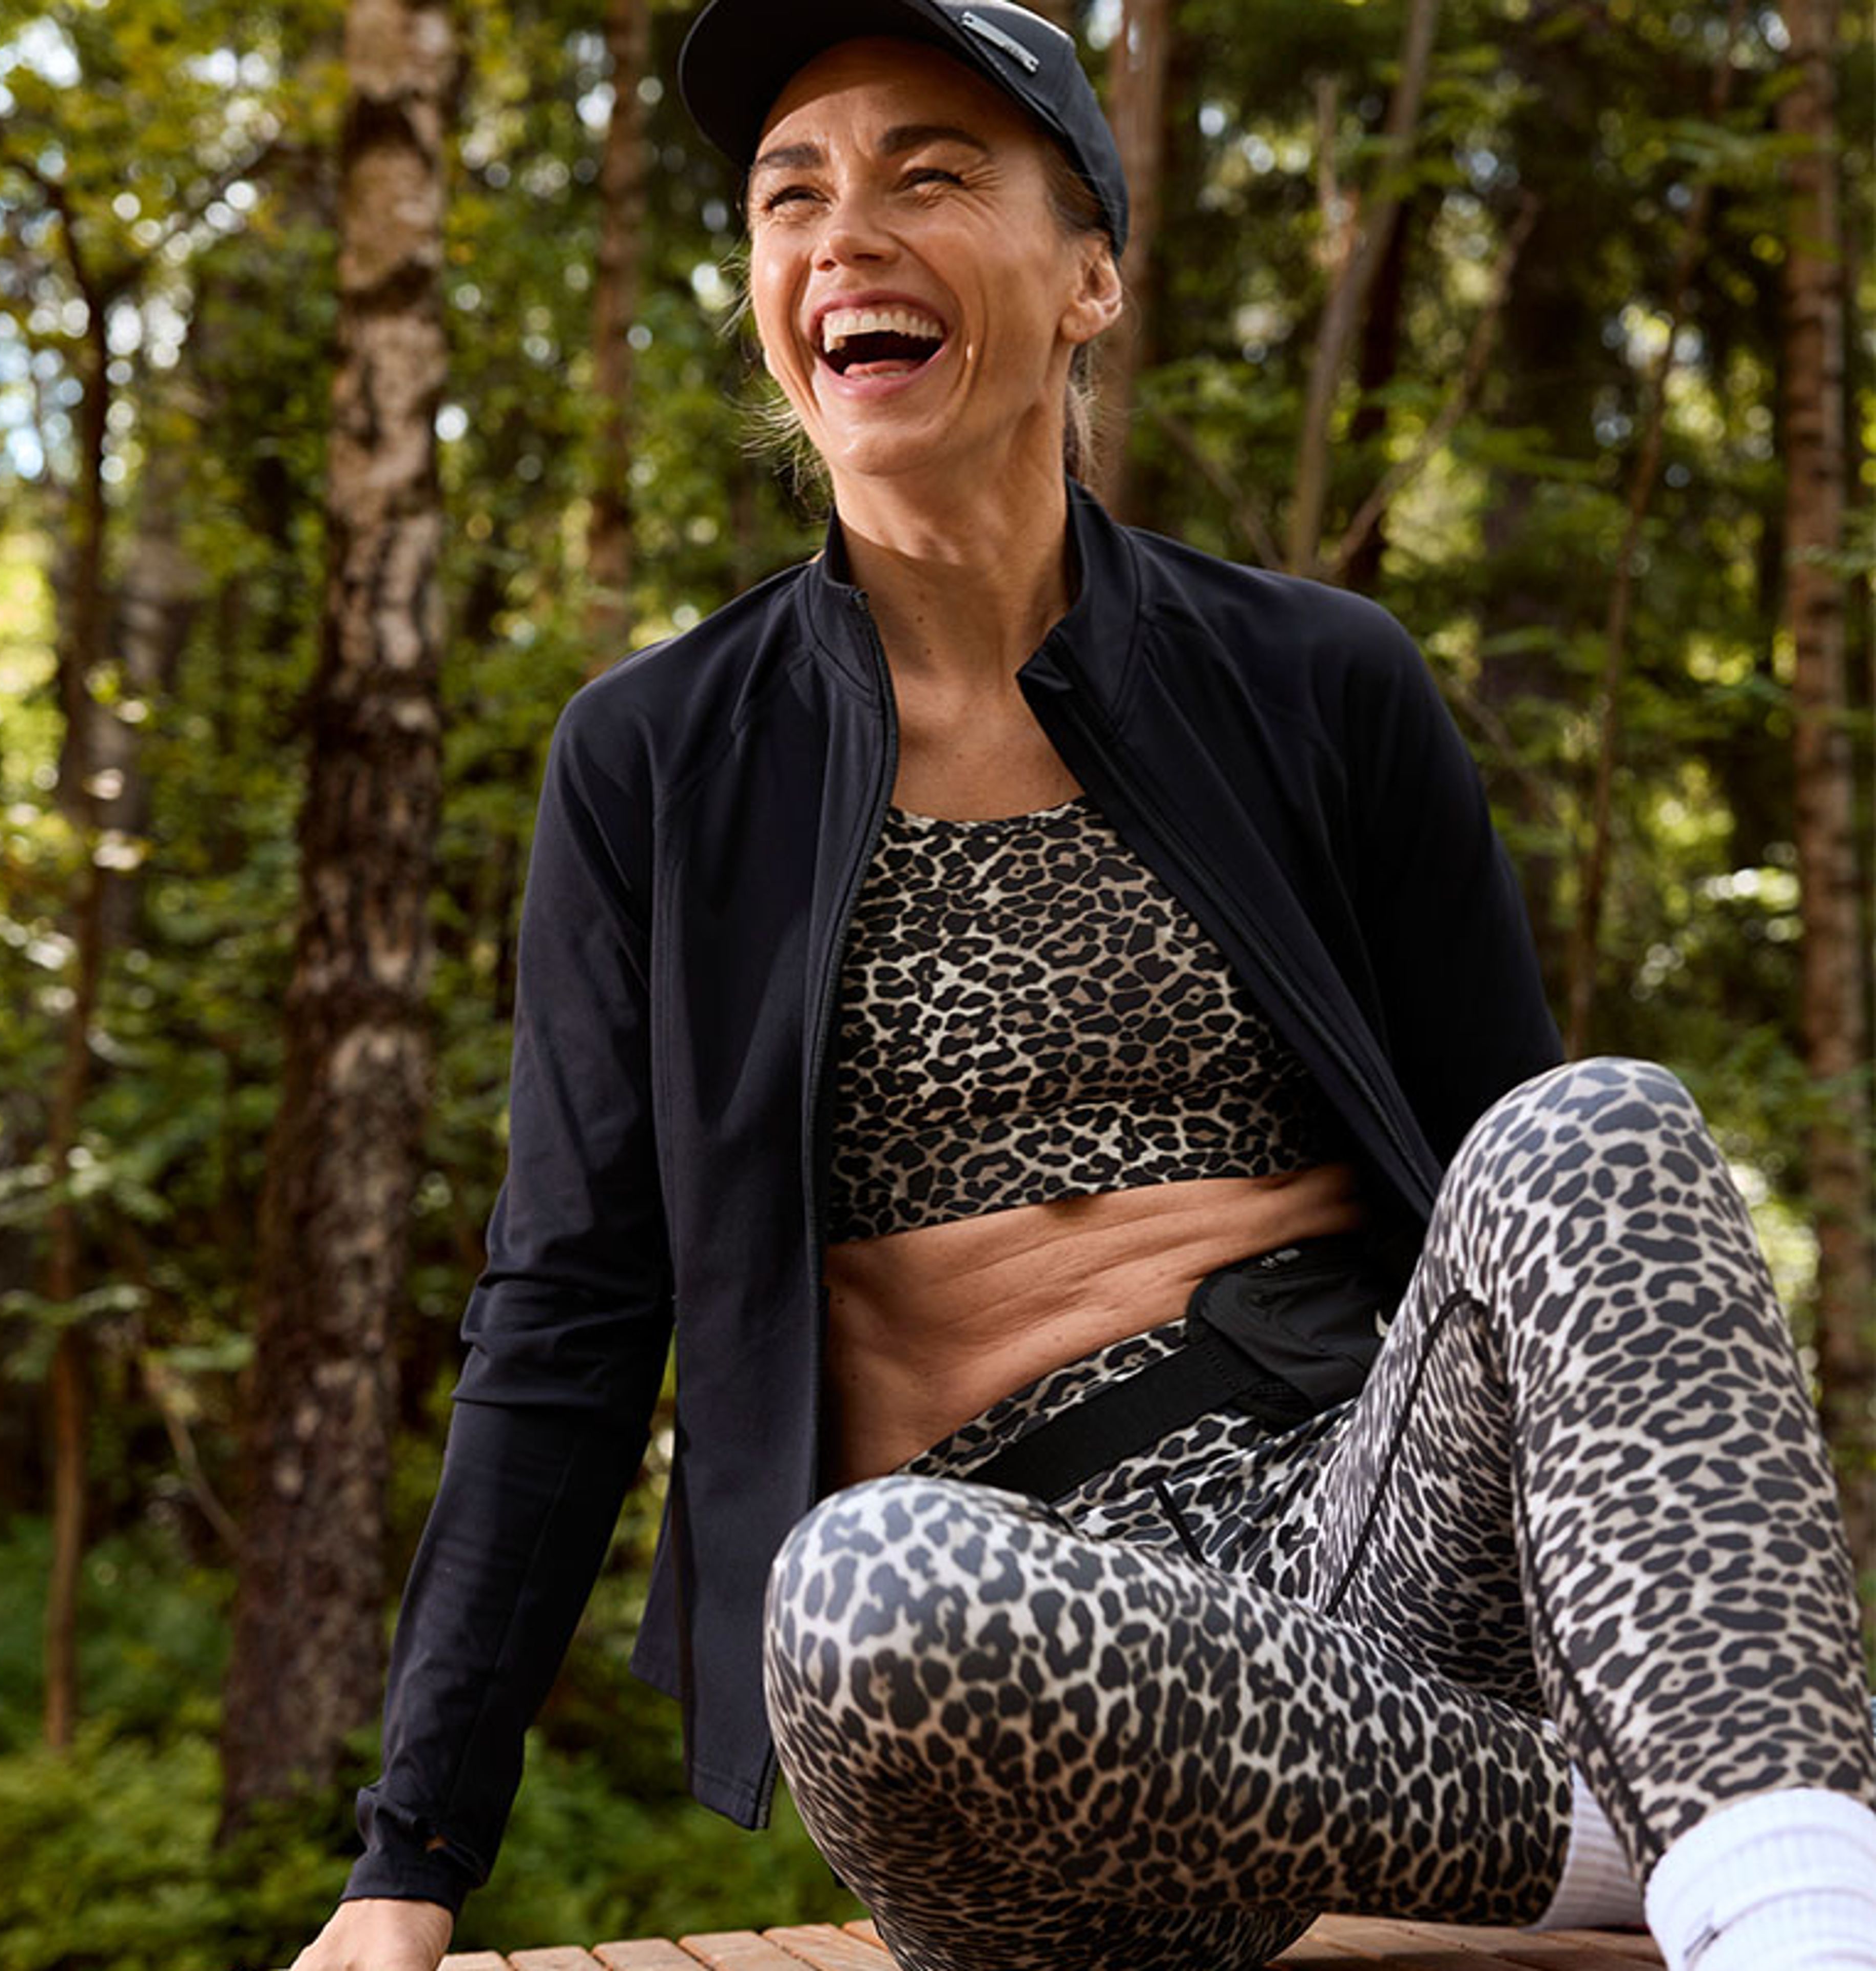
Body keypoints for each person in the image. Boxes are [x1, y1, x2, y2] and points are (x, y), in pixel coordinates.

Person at [294, 5, 1876, 1969]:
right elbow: (570, 1313)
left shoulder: (1315, 678)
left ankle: (1800, 1922)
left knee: (1601, 1127)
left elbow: (1517, 1209)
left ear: (1090, 281)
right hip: (1001, 1684)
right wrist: (407, 1861)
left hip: (1377, 1548)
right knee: (863, 1593)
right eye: (793, 197)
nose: (842, 234)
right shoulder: (659, 761)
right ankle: (1650, 1822)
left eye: (930, 173)